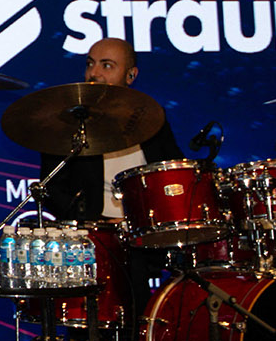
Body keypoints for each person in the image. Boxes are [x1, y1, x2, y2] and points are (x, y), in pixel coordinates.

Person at [39, 38, 182, 221]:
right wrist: (88, 223)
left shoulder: (150, 115)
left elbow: (174, 171)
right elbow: (52, 188)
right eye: (90, 64)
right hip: (94, 228)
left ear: (131, 75)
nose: (94, 73)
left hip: (147, 224)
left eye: (107, 66)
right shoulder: (68, 122)